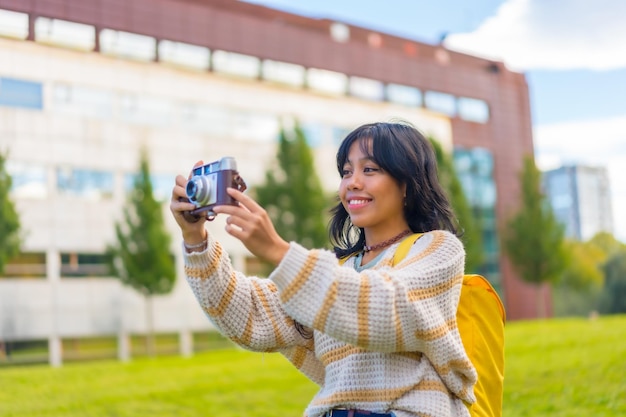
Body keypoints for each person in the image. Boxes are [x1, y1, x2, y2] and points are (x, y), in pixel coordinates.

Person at [170, 121, 477, 417]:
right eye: (346, 172)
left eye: (369, 170)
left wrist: (277, 251)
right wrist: (195, 239)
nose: (353, 182)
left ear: (408, 184)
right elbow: (248, 314)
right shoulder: (339, 269)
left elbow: (387, 308)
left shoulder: (437, 249)